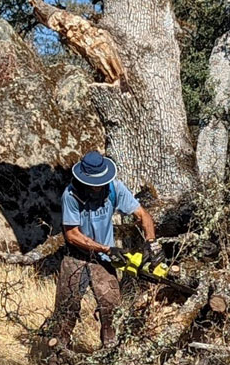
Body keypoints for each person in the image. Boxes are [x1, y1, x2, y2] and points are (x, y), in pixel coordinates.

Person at [49, 150, 158, 352]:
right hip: (76, 258)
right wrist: (106, 248)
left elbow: (143, 215)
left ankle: (110, 359)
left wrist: (152, 243)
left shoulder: (114, 188)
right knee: (66, 313)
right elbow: (72, 235)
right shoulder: (71, 195)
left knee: (112, 313)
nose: (98, 186)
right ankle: (57, 359)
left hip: (104, 261)